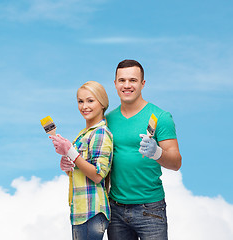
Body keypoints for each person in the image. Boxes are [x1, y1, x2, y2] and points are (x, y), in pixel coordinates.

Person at [106, 59, 182, 240]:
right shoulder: (107, 120)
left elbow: (176, 162)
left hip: (150, 209)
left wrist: (157, 153)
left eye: (132, 80)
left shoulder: (160, 117)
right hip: (115, 209)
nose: (127, 85)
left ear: (142, 84)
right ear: (115, 84)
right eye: (122, 80)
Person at [49, 81, 113, 240]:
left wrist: (70, 151)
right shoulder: (83, 134)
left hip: (92, 210)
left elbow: (98, 175)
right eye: (80, 101)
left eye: (90, 101)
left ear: (102, 103)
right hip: (80, 209)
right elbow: (79, 168)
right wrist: (66, 164)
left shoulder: (100, 133)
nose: (84, 106)